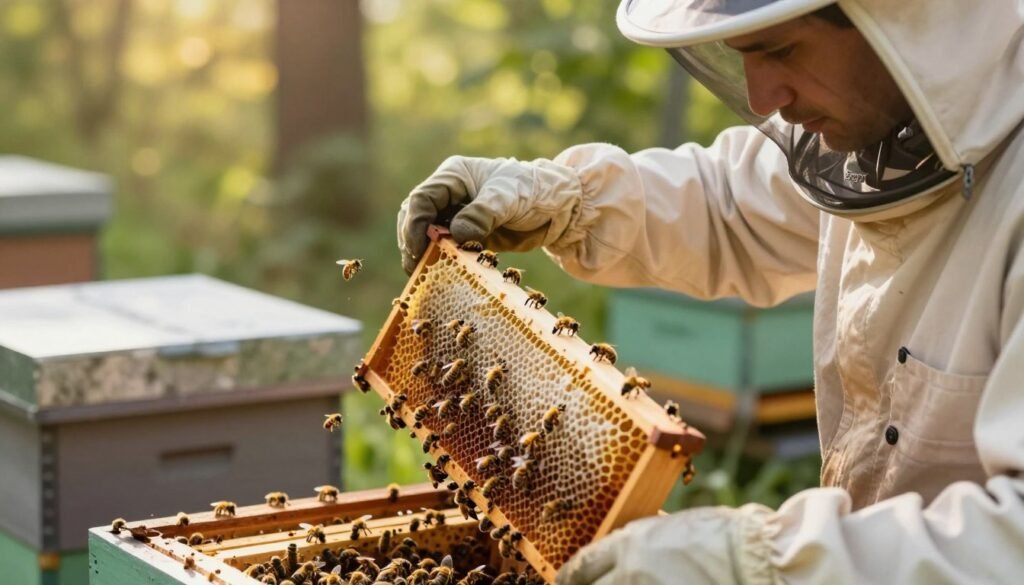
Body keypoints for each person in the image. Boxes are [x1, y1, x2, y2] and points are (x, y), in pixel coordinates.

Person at [397, 1, 1024, 582]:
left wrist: (762, 566)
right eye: (741, 53)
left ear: (908, 21)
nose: (763, 98)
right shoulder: (880, 135)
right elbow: (732, 202)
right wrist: (568, 199)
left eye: (780, 51)